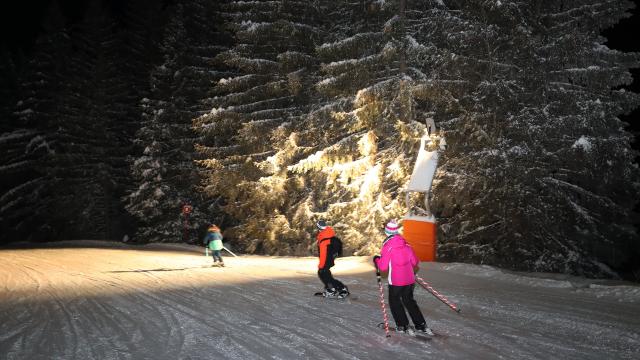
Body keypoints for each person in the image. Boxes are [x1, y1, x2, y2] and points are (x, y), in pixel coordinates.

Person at [374, 220, 433, 335]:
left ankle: (403, 325)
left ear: (387, 232)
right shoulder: (406, 244)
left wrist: (376, 260)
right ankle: (420, 325)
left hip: (396, 281)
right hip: (409, 280)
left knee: (395, 301)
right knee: (409, 301)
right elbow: (415, 262)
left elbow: (383, 267)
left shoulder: (388, 246)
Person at [315, 219, 349, 298]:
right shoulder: (328, 233)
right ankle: (331, 289)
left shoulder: (324, 239)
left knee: (323, 273)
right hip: (330, 259)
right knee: (326, 275)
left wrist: (321, 265)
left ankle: (341, 289)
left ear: (319, 228)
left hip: (326, 260)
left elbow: (323, 254)